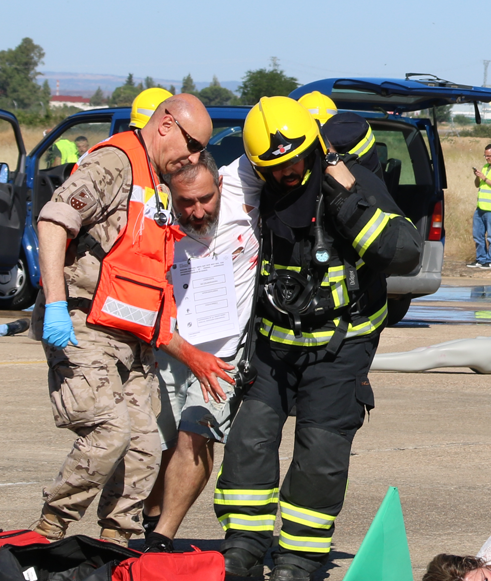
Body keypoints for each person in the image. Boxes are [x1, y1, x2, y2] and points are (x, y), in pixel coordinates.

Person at [212, 97, 422, 581]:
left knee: (319, 453)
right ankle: (243, 546)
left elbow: (404, 253)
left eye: (295, 162)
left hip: (340, 345)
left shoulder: (348, 181)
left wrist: (348, 201)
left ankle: (299, 559)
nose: (287, 174)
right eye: (275, 168)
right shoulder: (249, 186)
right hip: (272, 343)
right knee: (248, 441)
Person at [30, 93, 234, 545]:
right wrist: (58, 305)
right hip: (86, 326)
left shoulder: (160, 180)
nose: (196, 155)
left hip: (133, 343)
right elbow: (52, 222)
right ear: (166, 126)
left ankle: (115, 545)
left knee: (144, 447)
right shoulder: (115, 164)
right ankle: (49, 528)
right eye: (194, 144)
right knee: (111, 430)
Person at [140, 150, 261, 552]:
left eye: (205, 199)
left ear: (220, 184)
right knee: (159, 441)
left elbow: (282, 129)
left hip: (226, 353)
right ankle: (150, 519)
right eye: (185, 202)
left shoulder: (241, 181)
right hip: (172, 348)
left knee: (196, 432)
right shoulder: (153, 218)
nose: (196, 210)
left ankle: (161, 539)